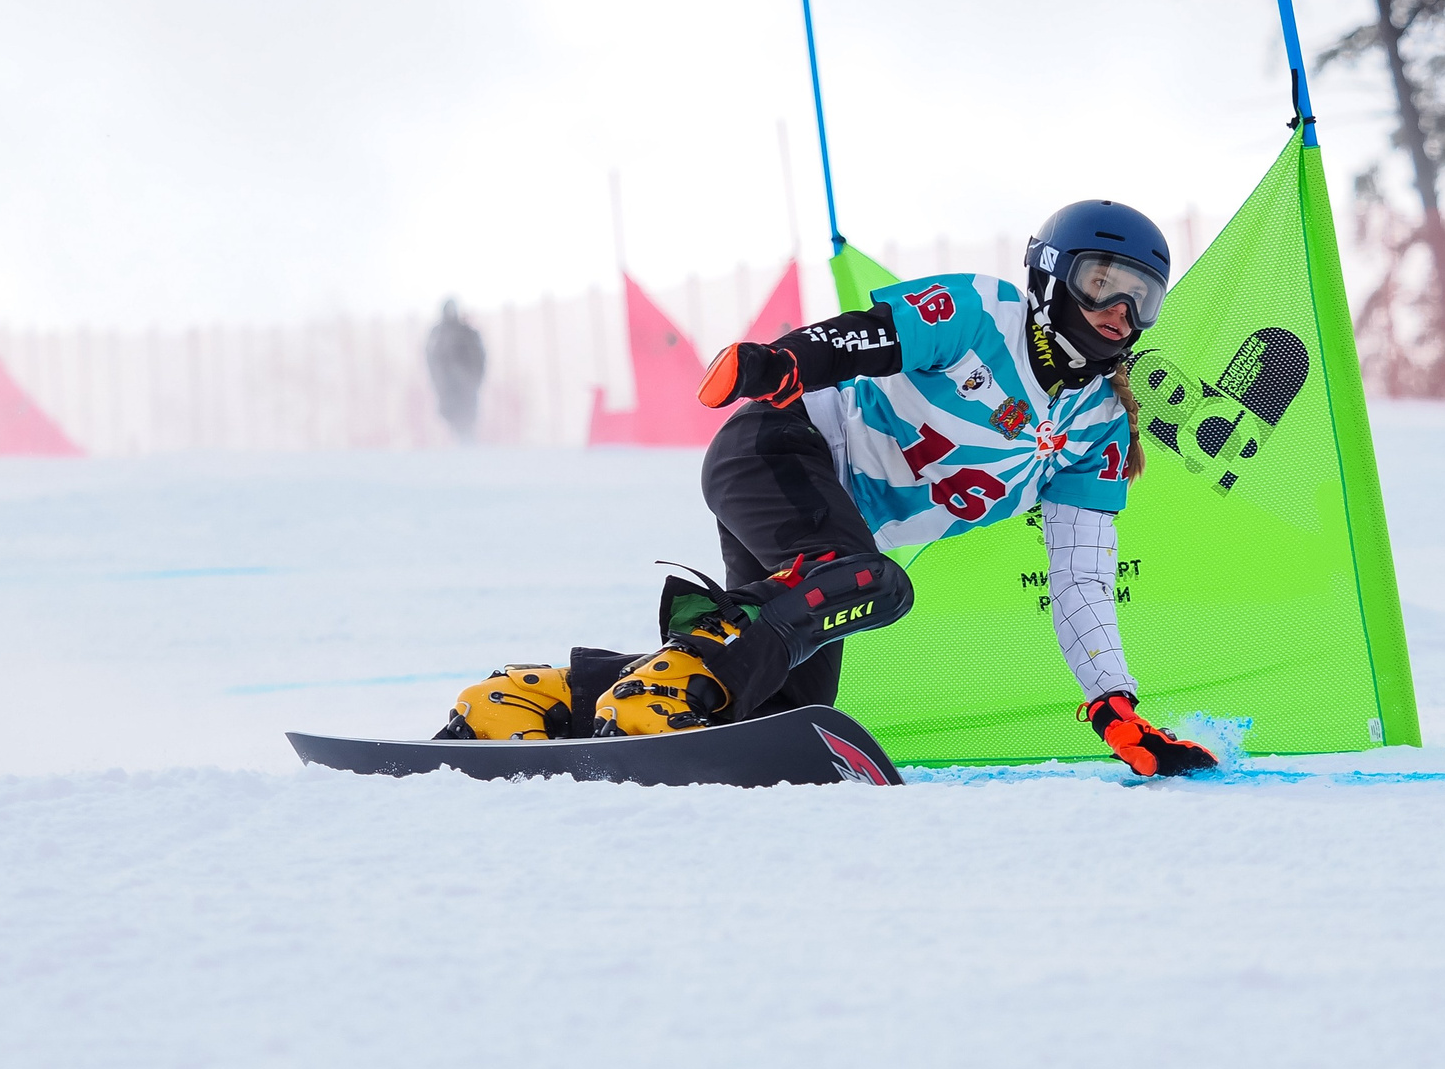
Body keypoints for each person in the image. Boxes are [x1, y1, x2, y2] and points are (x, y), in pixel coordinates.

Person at [442, 200, 1218, 777]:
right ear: (1051, 276)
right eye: (1100, 283)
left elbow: (1081, 577)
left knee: (782, 709)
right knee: (875, 583)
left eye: (1140, 297)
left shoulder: (1100, 430)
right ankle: (657, 696)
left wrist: (1115, 708)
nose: (1118, 312)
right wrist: (779, 362)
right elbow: (872, 336)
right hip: (778, 448)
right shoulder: (987, 313)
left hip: (827, 537)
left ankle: (538, 698)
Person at [424, 299, 486, 443]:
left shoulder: (467, 333)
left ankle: (467, 447)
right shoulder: (438, 334)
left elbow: (479, 357)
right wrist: (439, 380)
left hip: (465, 386)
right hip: (448, 388)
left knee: (466, 422)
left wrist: (473, 379)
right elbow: (432, 359)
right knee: (453, 421)